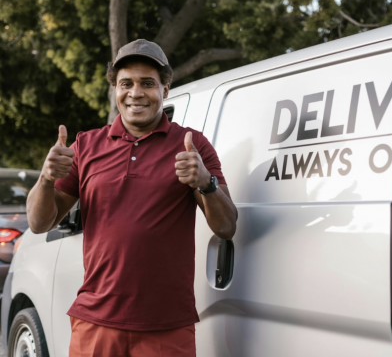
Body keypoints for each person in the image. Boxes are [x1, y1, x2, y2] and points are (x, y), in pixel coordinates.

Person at [26, 39, 237, 357]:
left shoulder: (192, 146)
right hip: (96, 322)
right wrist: (45, 179)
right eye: (126, 83)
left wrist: (205, 182)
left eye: (148, 83)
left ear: (166, 89)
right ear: (115, 89)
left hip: (167, 326)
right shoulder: (86, 145)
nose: (136, 92)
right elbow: (39, 222)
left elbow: (227, 226)